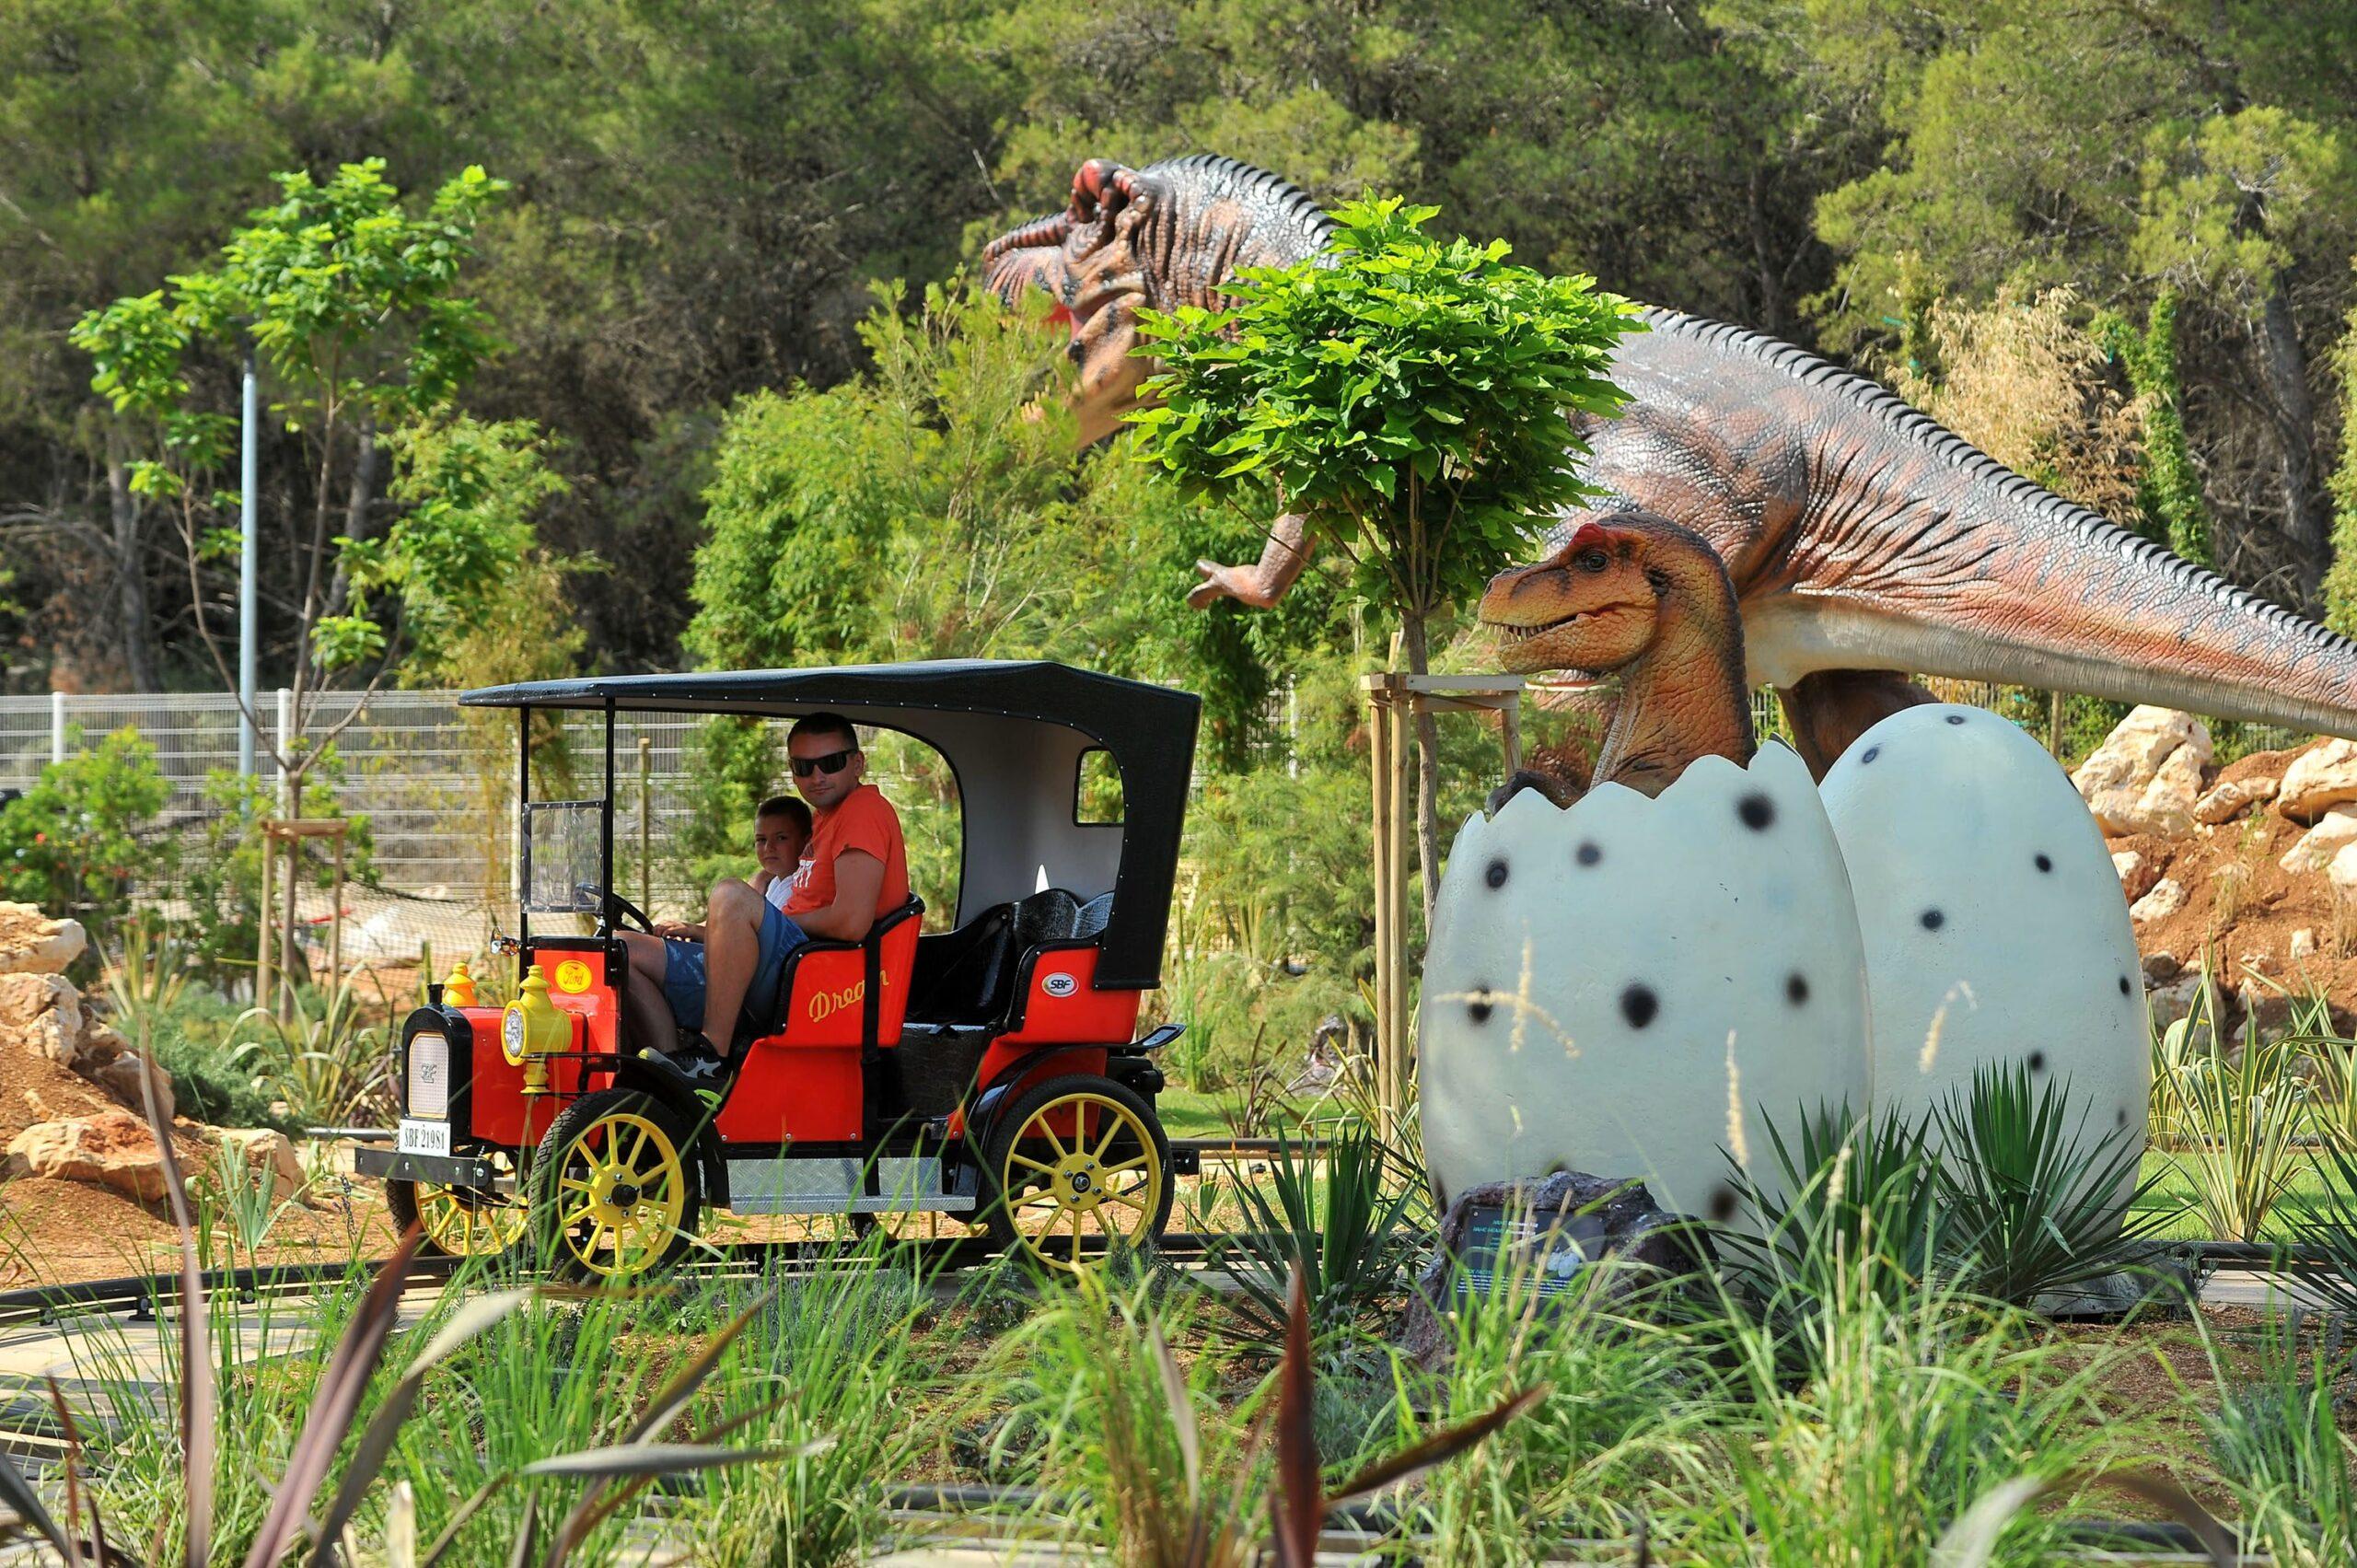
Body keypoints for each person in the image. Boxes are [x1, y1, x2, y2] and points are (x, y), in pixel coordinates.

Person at [621, 714, 908, 1067]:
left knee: (730, 895)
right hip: (790, 961)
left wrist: (766, 920)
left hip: (815, 974)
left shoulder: (863, 810)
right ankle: (673, 1073)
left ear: (857, 763)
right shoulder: (822, 819)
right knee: (620, 950)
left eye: (830, 764)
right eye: (804, 767)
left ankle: (712, 1057)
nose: (817, 776)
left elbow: (851, 923)